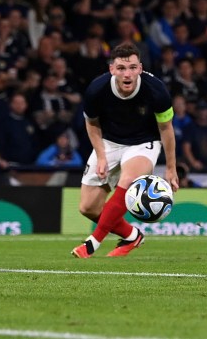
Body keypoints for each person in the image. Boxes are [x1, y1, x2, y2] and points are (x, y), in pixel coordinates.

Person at [72, 43, 180, 258]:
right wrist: (101, 156)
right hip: (109, 143)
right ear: (112, 69)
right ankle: (133, 236)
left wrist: (171, 168)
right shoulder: (97, 89)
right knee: (88, 207)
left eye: (132, 67)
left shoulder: (156, 90)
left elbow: (166, 129)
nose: (127, 74)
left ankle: (93, 242)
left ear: (140, 68)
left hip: (144, 142)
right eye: (121, 68)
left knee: (129, 179)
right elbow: (91, 124)